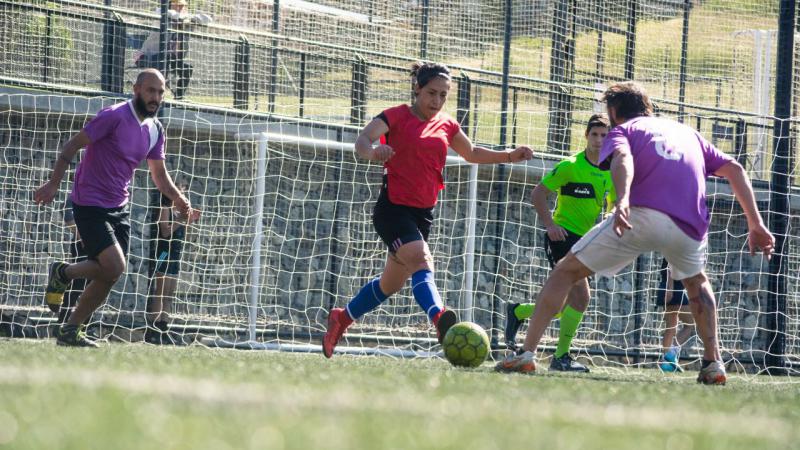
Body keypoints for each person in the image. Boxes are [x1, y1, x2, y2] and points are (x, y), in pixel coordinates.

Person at [496, 81, 774, 385]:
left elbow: (623, 159)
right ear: (647, 106)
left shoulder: (623, 131)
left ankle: (526, 354)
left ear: (614, 111)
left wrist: (623, 199)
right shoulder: (687, 132)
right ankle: (713, 363)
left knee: (564, 273)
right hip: (690, 223)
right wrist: (756, 223)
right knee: (697, 283)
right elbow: (734, 169)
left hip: (639, 216)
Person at [322, 62, 534, 358]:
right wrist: (373, 152)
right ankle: (439, 317)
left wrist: (510, 155)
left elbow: (472, 152)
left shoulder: (447, 124)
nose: (437, 101)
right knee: (422, 260)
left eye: (443, 95)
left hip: (422, 215)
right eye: (431, 93)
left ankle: (341, 318)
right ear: (417, 88)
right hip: (393, 210)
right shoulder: (395, 116)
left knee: (389, 285)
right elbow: (362, 140)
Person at [34, 68, 199, 347]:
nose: (156, 97)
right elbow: (72, 146)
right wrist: (53, 184)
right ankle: (64, 276)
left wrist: (179, 199)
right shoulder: (113, 116)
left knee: (111, 273)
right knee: (114, 265)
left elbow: (159, 175)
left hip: (118, 207)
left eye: (160, 92)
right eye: (150, 90)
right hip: (88, 202)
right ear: (136, 89)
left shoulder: (156, 130)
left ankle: (70, 326)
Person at [504, 114, 614, 372]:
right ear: (586, 136)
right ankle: (561, 356)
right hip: (562, 237)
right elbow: (538, 194)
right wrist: (550, 225)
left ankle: (519, 312)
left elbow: (614, 205)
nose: (599, 140)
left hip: (587, 240)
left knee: (564, 306)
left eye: (604, 135)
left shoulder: (611, 171)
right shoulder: (570, 165)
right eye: (594, 134)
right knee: (581, 297)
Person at [145, 183, 199, 345]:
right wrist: (179, 220)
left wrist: (190, 221)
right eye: (181, 194)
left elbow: (183, 236)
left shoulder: (180, 213)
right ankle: (153, 330)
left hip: (175, 256)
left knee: (169, 295)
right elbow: (165, 232)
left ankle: (164, 328)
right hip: (163, 254)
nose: (184, 198)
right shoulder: (165, 209)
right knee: (160, 292)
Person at [134, 0, 212, 100]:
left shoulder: (187, 22)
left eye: (183, 6)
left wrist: (189, 18)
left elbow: (208, 19)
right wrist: (182, 17)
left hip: (169, 59)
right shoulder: (162, 16)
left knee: (187, 69)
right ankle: (159, 96)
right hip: (146, 56)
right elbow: (160, 11)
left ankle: (179, 98)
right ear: (170, 5)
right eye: (178, 6)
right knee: (164, 60)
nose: (181, 8)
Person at [655, 257, 695, 372]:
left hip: (668, 289)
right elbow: (670, 267)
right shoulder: (675, 253)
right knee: (689, 324)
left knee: (671, 327)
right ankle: (671, 354)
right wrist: (671, 288)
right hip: (673, 291)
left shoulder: (672, 251)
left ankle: (666, 361)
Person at [54, 198, 89, 325]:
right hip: (83, 245)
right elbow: (66, 208)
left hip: (103, 244)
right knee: (78, 285)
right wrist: (81, 235)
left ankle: (85, 327)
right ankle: (62, 323)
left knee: (96, 285)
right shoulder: (84, 191)